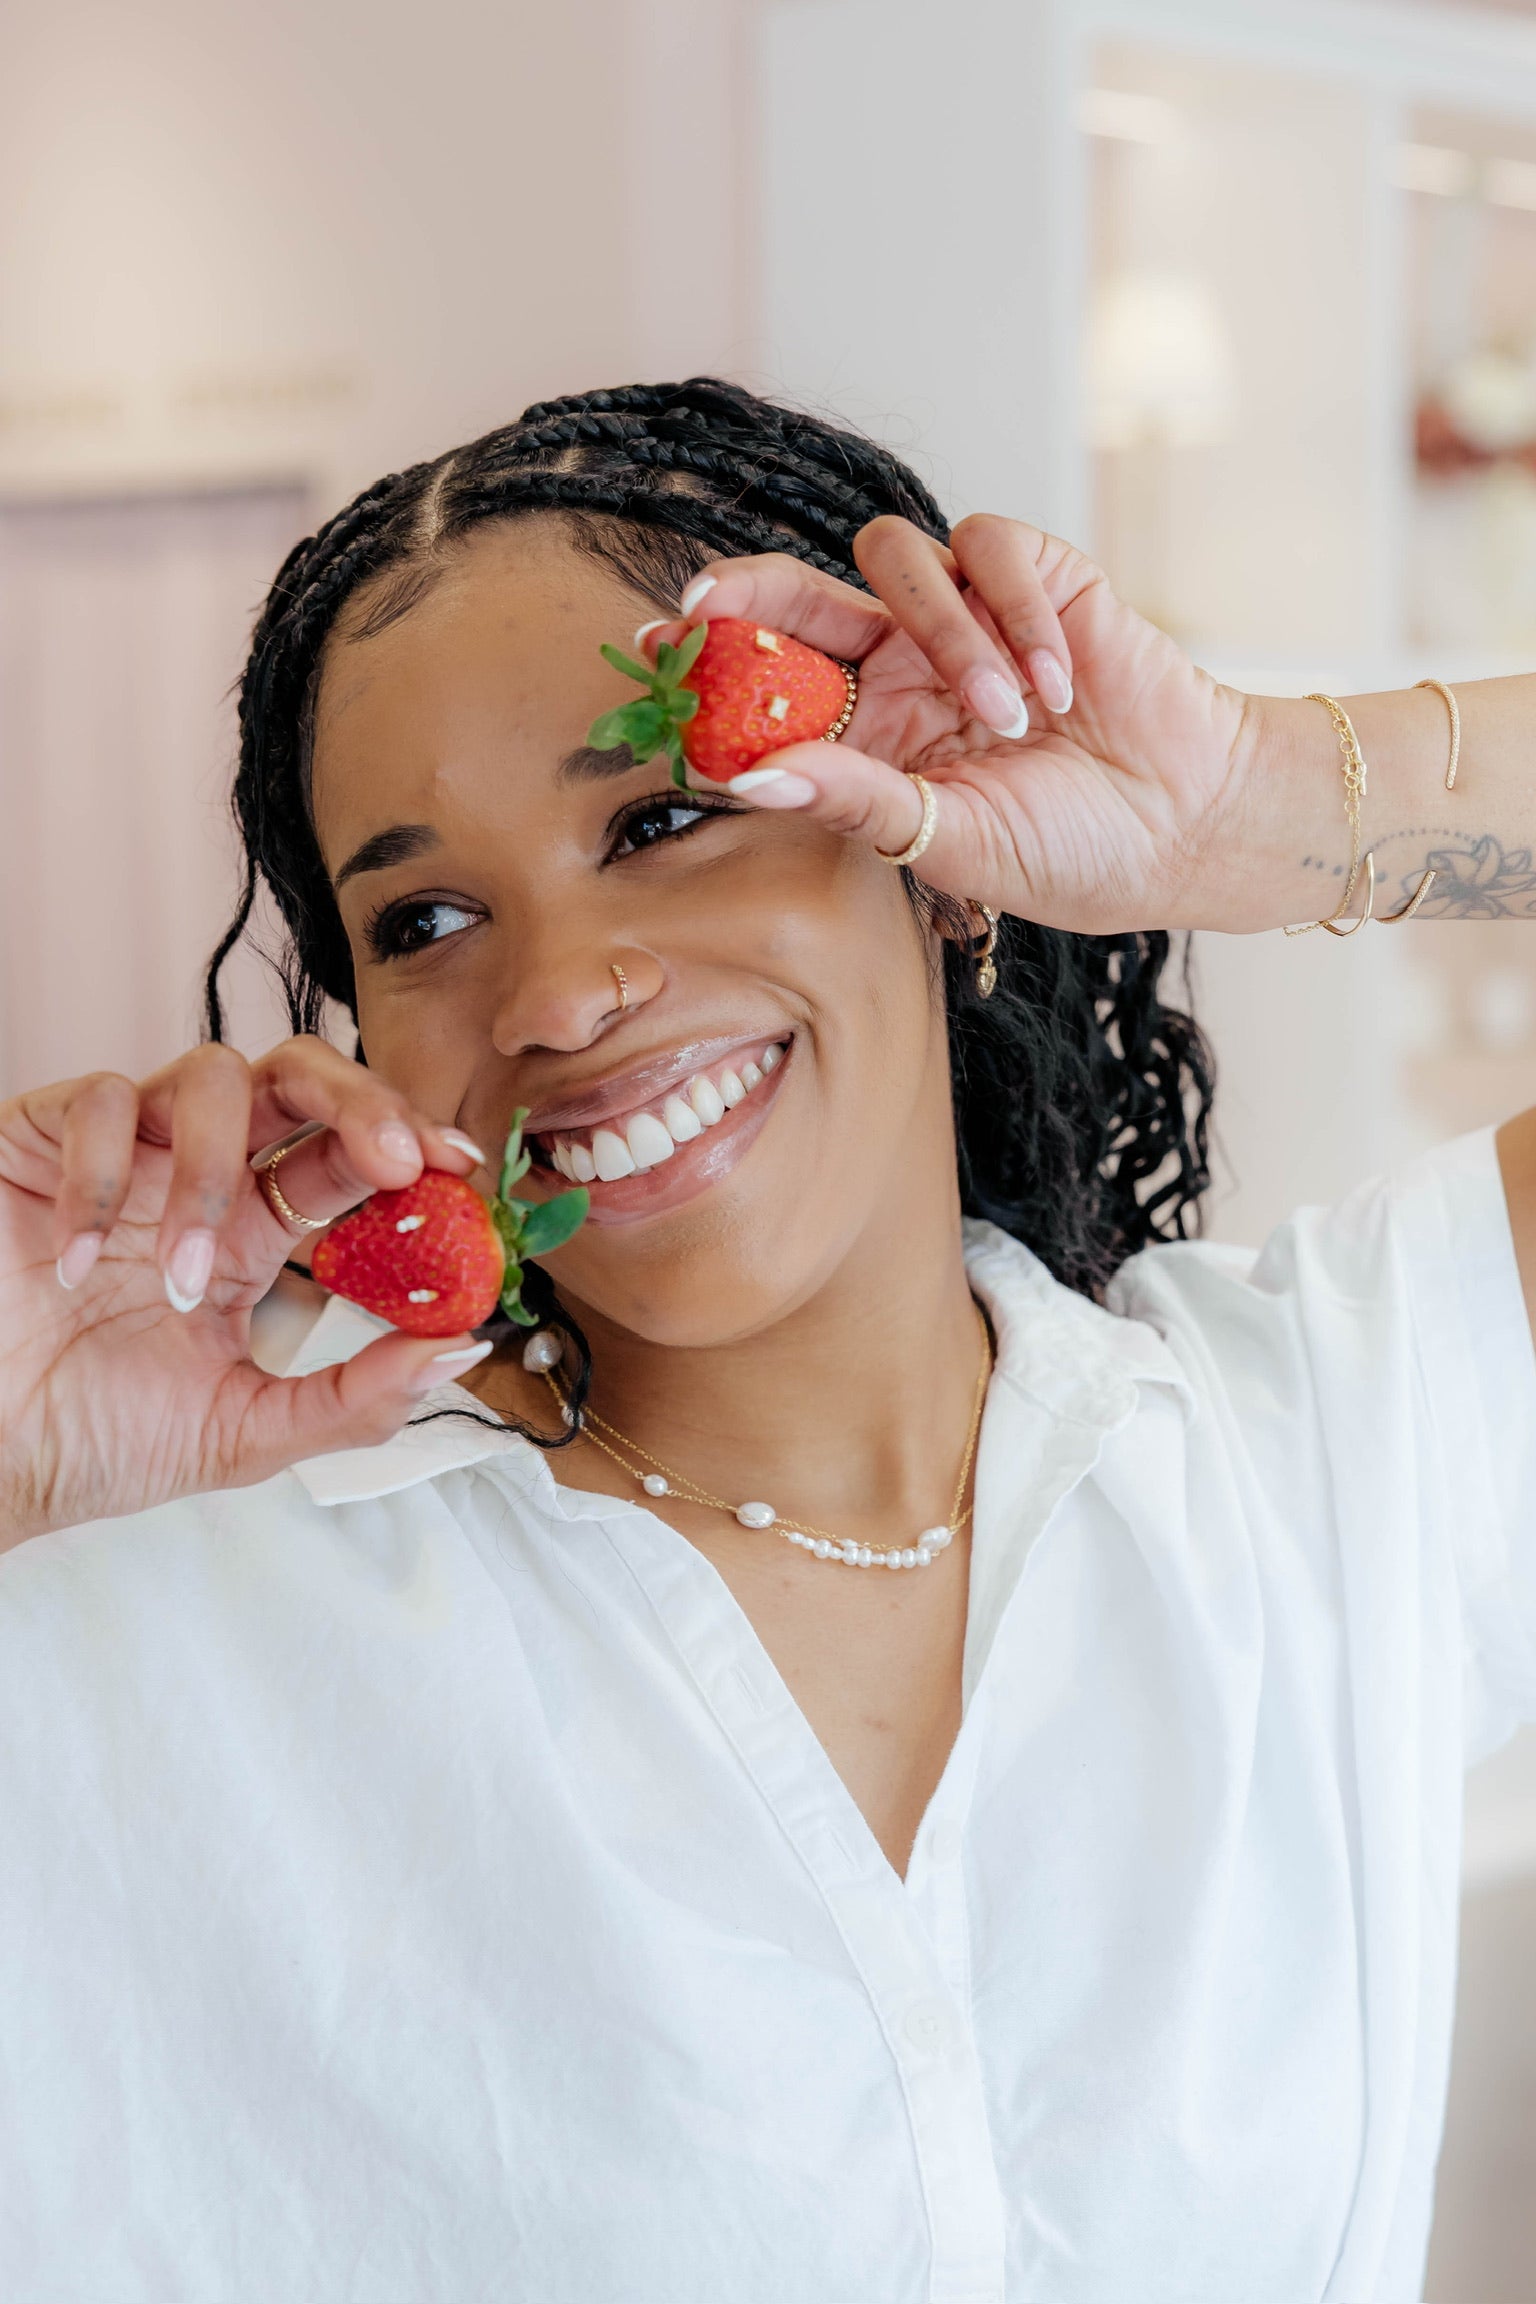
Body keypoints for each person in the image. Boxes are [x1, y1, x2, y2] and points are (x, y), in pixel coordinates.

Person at [0, 378, 1532, 2304]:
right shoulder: (145, 1618)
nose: (556, 994)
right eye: (430, 916)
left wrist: (1253, 810)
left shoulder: (1320, 1447)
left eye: (663, 813)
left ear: (938, 861)